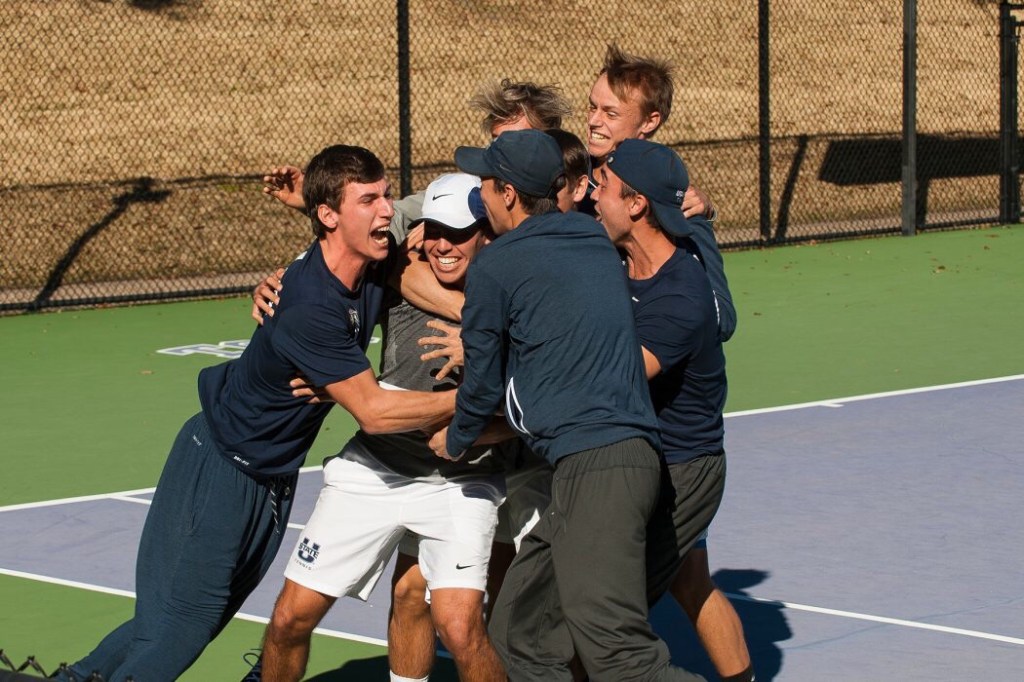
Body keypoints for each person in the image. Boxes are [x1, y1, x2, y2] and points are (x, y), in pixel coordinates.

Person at [57, 145, 456, 682]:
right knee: (179, 627)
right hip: (221, 468)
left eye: (386, 195)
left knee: (187, 619)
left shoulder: (366, 268)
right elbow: (378, 413)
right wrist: (473, 402)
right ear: (330, 215)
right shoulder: (311, 304)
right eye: (370, 199)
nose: (387, 209)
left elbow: (397, 274)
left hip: (270, 475)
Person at [431, 128, 704, 682]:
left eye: (484, 183)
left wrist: (456, 440)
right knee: (520, 632)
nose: (477, 195)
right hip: (604, 466)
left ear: (508, 193)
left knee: (618, 656)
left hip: (598, 468)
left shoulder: (496, 265)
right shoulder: (591, 239)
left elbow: (481, 384)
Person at [255, 173, 511, 682]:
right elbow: (333, 255)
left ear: (487, 233)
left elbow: (546, 401)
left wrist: (482, 424)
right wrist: (274, 282)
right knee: (289, 618)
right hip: (376, 468)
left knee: (458, 627)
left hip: (463, 481)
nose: (442, 244)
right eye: (433, 229)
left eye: (458, 232)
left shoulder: (516, 295)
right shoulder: (396, 268)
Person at [592, 138, 753, 682]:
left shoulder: (681, 293)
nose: (593, 194)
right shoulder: (616, 259)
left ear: (636, 203)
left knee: (611, 616)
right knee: (677, 585)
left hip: (683, 468)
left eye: (603, 187)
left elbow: (612, 378)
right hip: (639, 458)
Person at [586, 43, 737, 342]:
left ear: (650, 121)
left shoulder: (675, 204)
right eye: (592, 107)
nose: (593, 121)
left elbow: (721, 318)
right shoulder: (568, 181)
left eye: (610, 113)